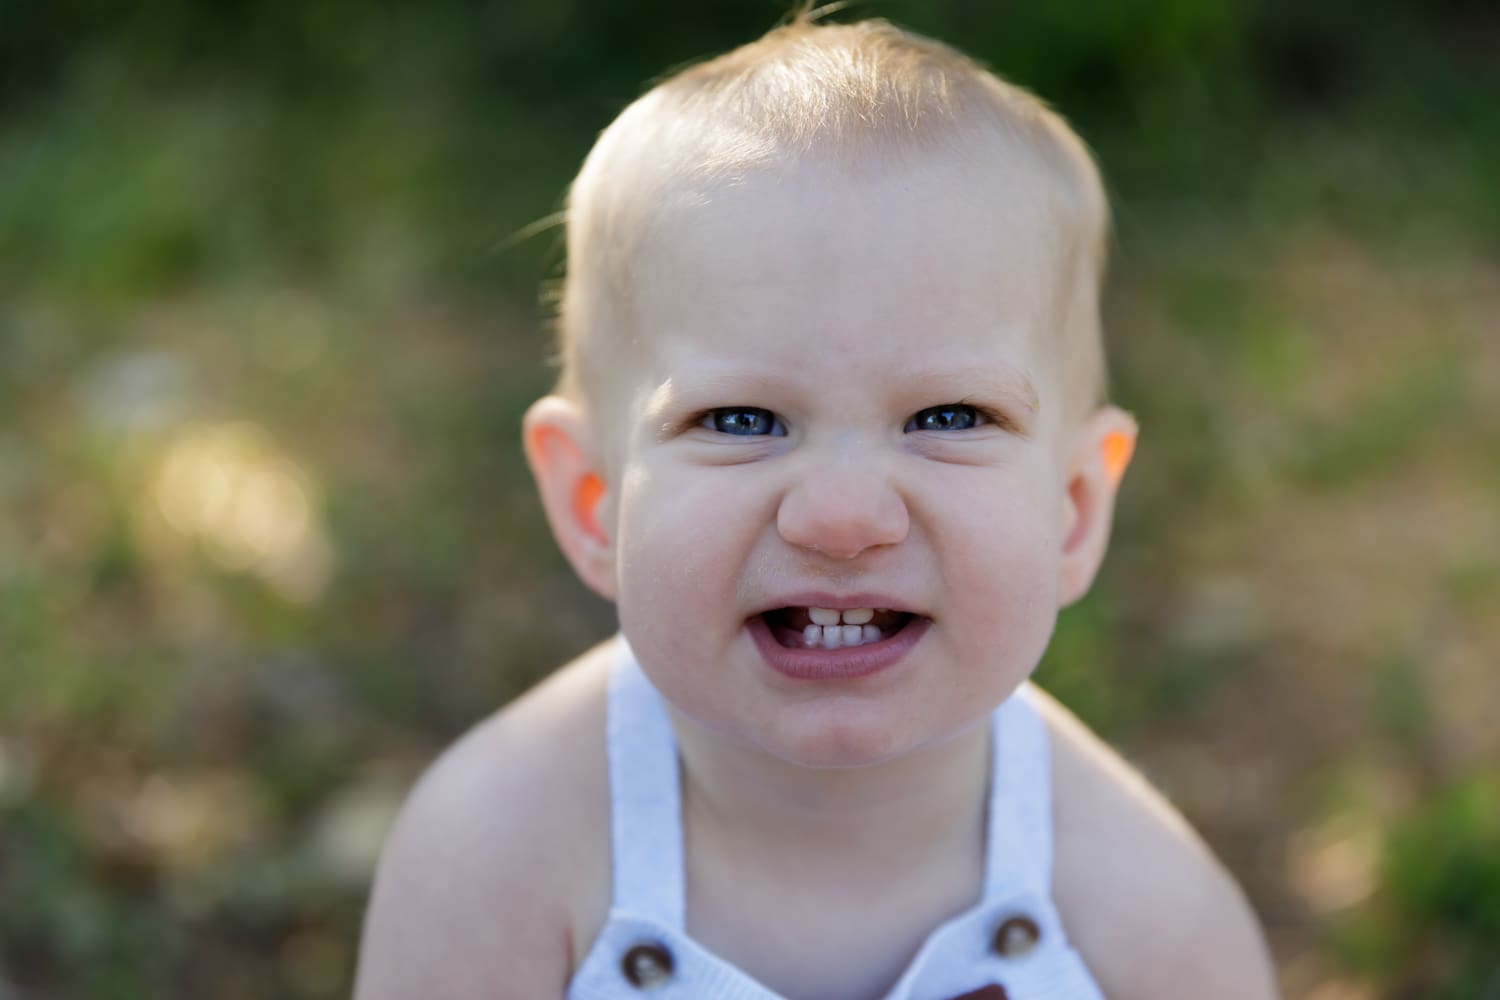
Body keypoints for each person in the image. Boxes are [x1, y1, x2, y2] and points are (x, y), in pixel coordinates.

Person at [355, 13, 1279, 1000]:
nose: (842, 518)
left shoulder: (1148, 924)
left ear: (1074, 508)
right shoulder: (494, 864)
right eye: (741, 419)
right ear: (593, 502)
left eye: (948, 416)